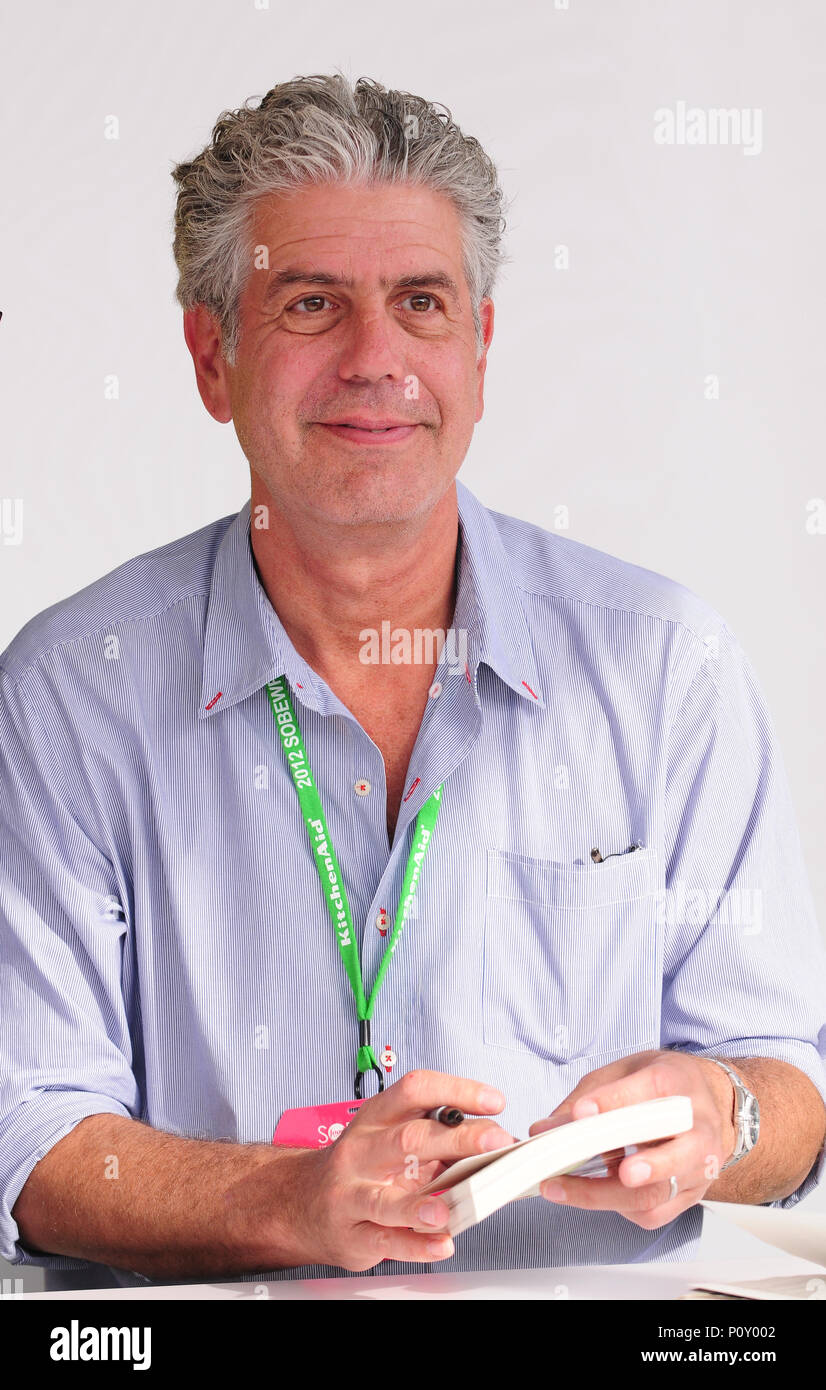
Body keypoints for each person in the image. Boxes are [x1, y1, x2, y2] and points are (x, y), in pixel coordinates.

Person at [2, 74, 825, 1292]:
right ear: (211, 354)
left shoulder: (665, 665)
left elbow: (790, 1084)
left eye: (421, 303)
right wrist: (283, 1200)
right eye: (312, 303)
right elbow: (31, 1137)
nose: (375, 359)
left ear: (479, 349)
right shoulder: (73, 693)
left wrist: (722, 1110)